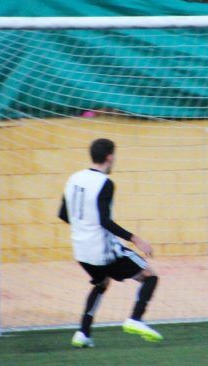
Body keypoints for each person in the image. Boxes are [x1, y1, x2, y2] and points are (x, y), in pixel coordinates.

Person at [59, 138, 162, 348]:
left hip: (81, 252)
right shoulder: (105, 183)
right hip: (102, 250)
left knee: (101, 283)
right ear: (110, 157)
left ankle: (83, 332)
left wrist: (83, 227)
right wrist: (135, 239)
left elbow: (63, 214)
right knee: (150, 276)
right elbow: (104, 221)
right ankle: (135, 319)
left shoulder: (73, 178)